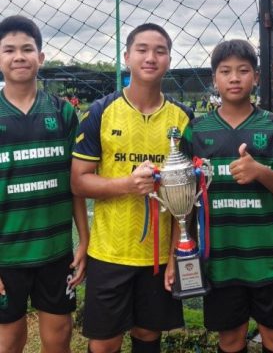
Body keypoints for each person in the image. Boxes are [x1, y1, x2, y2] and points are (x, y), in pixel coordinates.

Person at [71, 23, 193, 353]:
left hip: (158, 255)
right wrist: (127, 183)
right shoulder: (101, 112)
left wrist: (175, 256)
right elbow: (78, 181)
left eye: (160, 51)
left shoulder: (183, 119)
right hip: (109, 251)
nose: (151, 57)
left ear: (169, 60)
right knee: (104, 342)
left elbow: (187, 196)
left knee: (148, 335)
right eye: (142, 50)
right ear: (126, 57)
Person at [180, 39, 273, 353]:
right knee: (230, 339)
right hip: (221, 260)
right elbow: (186, 199)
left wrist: (260, 172)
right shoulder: (196, 131)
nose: (234, 78)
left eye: (243, 70)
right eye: (226, 71)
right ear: (214, 79)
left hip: (270, 260)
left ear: (256, 77)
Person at [0, 15, 88, 353]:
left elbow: (76, 184)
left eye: (27, 49)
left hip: (55, 250)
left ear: (40, 57)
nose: (18, 56)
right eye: (9, 50)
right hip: (7, 254)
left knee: (59, 336)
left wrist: (84, 240)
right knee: (8, 339)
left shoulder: (63, 112)